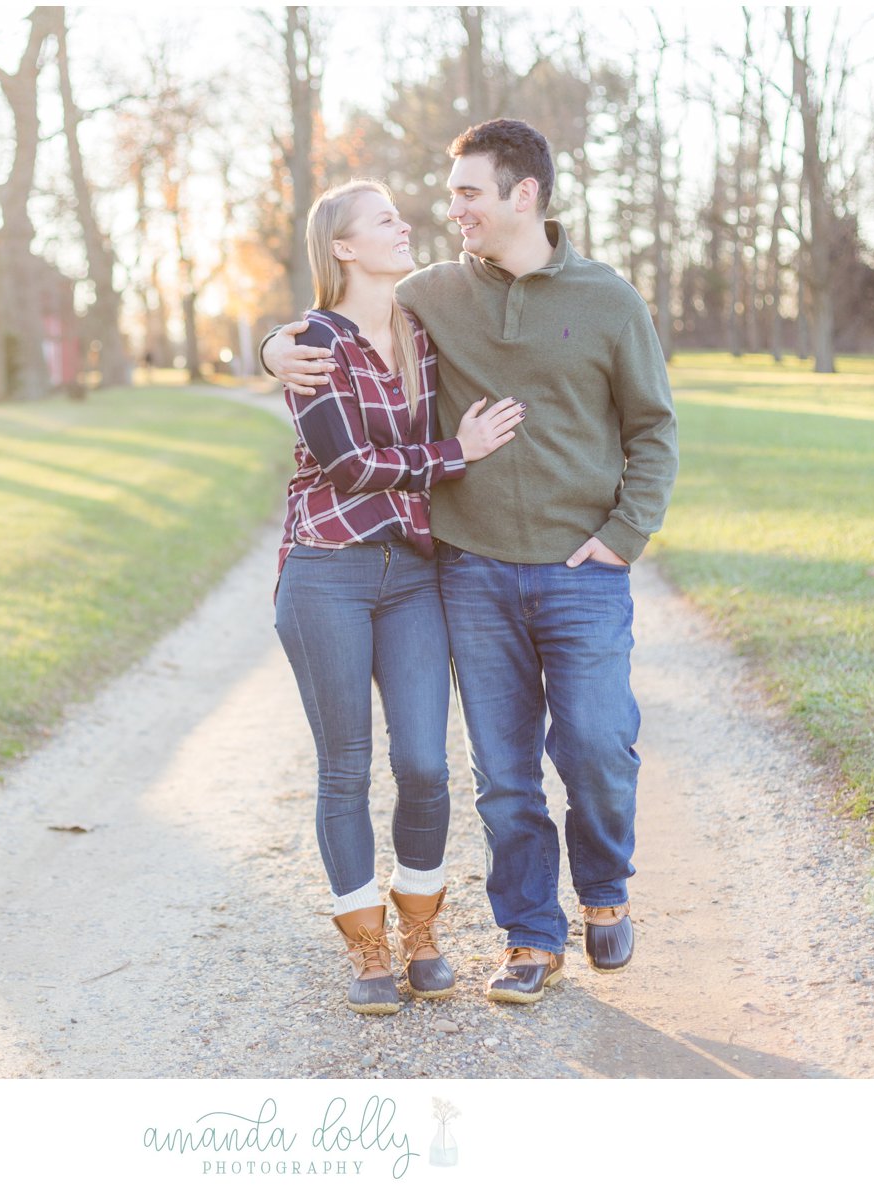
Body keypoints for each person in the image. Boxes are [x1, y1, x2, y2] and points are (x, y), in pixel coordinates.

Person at [264, 120, 678, 1006]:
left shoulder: (610, 300)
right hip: (469, 572)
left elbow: (653, 430)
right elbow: (331, 315)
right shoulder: (433, 293)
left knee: (599, 746)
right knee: (502, 776)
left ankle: (602, 888)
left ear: (521, 194)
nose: (447, 210)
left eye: (466, 194)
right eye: (448, 195)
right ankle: (530, 936)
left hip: (581, 569)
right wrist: (270, 348)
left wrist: (625, 532)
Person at [274, 179, 526, 1015]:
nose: (402, 225)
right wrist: (458, 453)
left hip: (412, 571)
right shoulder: (312, 342)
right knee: (344, 767)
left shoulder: (420, 332)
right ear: (343, 248)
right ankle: (367, 947)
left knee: (423, 762)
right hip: (327, 573)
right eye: (383, 219)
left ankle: (421, 929)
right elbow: (349, 465)